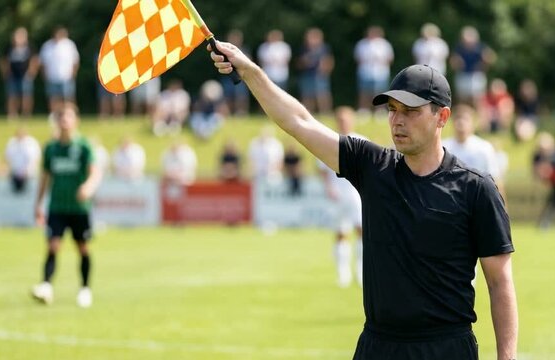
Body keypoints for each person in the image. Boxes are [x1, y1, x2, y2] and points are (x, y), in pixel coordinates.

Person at [211, 40, 517, 360]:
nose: (397, 121)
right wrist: (250, 72)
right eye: (392, 110)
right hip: (378, 346)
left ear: (442, 117)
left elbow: (499, 283)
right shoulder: (372, 166)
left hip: (446, 348)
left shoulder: (476, 188)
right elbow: (298, 121)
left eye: (410, 111)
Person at [31, 103, 101, 308]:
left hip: (79, 209)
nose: (64, 121)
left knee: (82, 248)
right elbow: (44, 177)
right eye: (61, 117)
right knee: (53, 245)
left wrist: (88, 187)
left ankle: (85, 288)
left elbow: (95, 172)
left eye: (68, 117)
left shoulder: (83, 147)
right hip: (57, 207)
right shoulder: (51, 149)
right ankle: (46, 285)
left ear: (75, 121)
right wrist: (38, 204)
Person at [318, 106, 365, 288]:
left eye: (346, 120)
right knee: (340, 233)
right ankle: (342, 274)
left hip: (356, 194)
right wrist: (328, 187)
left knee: (362, 231)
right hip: (338, 194)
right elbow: (322, 169)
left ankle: (361, 272)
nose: (343, 123)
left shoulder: (361, 140)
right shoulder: (330, 140)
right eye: (341, 120)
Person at [443, 104, 503, 193]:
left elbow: (495, 181)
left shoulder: (484, 148)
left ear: (473, 123)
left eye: (465, 119)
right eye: (458, 119)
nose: (461, 123)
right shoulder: (443, 148)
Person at [450, 26, 496, 109]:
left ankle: (478, 115)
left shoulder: (480, 47)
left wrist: (483, 64)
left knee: (478, 98)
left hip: (476, 74)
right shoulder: (460, 48)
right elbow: (453, 61)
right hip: (463, 74)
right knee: (462, 97)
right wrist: (457, 63)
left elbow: (491, 58)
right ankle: (464, 114)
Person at [0, 27, 40, 118]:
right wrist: (6, 73)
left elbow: (35, 60)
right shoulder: (9, 47)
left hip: (26, 76)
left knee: (26, 96)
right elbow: (4, 61)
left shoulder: (30, 47)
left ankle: (26, 114)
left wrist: (31, 73)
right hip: (12, 76)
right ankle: (12, 114)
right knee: (12, 95)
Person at [39, 27, 80, 113]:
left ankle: (70, 114)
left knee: (68, 97)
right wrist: (45, 75)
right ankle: (53, 115)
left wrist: (73, 74)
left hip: (66, 76)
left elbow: (75, 61)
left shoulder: (69, 45)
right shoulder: (47, 46)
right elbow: (42, 62)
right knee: (53, 98)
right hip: (52, 77)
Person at [354, 26, 394, 114]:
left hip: (380, 72)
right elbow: (358, 58)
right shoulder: (362, 44)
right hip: (365, 71)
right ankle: (364, 109)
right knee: (364, 92)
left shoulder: (384, 44)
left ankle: (380, 110)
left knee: (380, 92)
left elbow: (390, 58)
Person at [296, 27, 334, 114]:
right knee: (307, 95)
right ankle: (308, 113)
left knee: (322, 95)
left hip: (319, 75)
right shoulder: (304, 49)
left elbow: (329, 60)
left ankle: (325, 112)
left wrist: (325, 71)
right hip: (307, 74)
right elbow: (298, 63)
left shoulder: (324, 48)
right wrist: (304, 61)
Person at [220, 29, 250, 116]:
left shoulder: (244, 50)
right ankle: (228, 113)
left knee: (241, 96)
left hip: (240, 76)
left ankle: (241, 113)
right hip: (227, 76)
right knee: (227, 96)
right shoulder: (224, 50)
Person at [5, 127, 41, 194]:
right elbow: (8, 157)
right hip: (15, 172)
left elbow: (34, 158)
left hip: (27, 173)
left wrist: (28, 170)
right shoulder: (12, 143)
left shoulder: (31, 143)